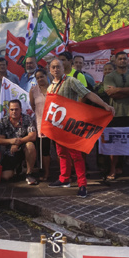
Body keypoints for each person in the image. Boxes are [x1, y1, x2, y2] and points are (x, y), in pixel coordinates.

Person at [46, 58, 115, 198]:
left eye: (58, 66)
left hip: (71, 125)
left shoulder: (70, 81)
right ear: (50, 69)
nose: (55, 69)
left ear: (63, 67)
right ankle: (64, 178)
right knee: (61, 153)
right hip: (58, 125)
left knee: (76, 155)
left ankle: (82, 184)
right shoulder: (50, 87)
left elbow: (87, 93)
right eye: (53, 67)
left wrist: (104, 105)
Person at [102, 52, 129, 180]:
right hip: (115, 115)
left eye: (124, 59)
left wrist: (118, 90)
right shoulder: (109, 76)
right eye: (120, 59)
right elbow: (111, 94)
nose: (122, 61)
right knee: (114, 144)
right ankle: (112, 169)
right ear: (115, 61)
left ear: (128, 60)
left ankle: (123, 167)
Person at [0, 100, 38, 184]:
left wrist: (18, 142)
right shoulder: (4, 121)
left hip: (24, 148)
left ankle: (29, 173)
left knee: (30, 145)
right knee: (5, 177)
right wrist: (11, 141)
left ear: (21, 109)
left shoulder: (27, 118)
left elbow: (33, 136)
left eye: (16, 109)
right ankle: (18, 168)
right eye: (12, 109)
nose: (14, 112)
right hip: (10, 151)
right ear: (9, 110)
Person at [0, 57, 20, 167]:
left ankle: (12, 161)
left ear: (7, 66)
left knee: (12, 136)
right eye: (0, 65)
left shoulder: (14, 77)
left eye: (4, 65)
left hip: (11, 113)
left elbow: (18, 93)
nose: (2, 67)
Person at [29, 68, 52, 182]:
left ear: (46, 76)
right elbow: (33, 107)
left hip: (56, 124)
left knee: (59, 150)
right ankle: (46, 173)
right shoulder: (33, 91)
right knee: (44, 151)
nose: (40, 79)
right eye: (37, 78)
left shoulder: (54, 88)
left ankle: (65, 172)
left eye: (41, 76)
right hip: (41, 125)